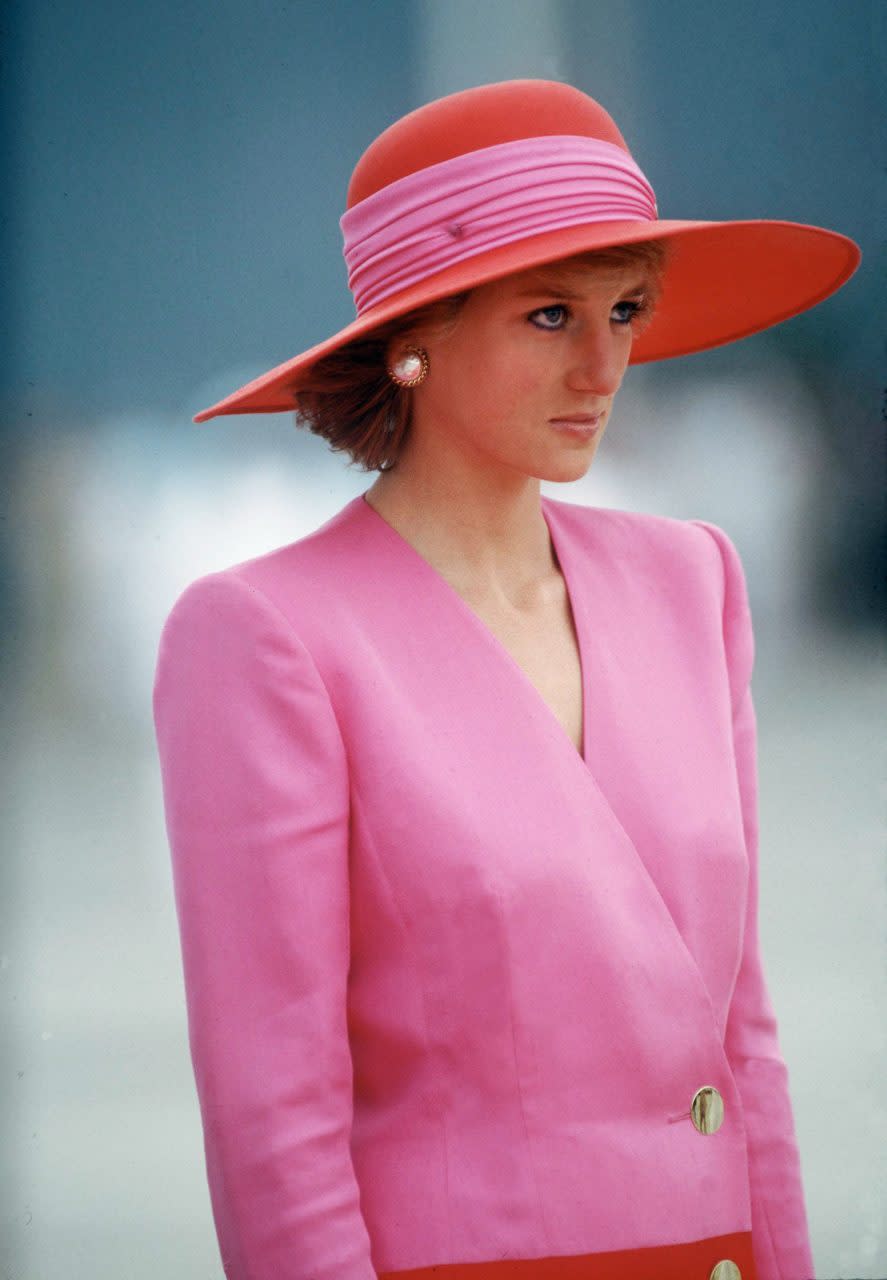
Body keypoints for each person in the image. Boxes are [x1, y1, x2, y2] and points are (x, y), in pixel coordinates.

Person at [152, 80, 860, 1280]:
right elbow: (273, 1118)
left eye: (625, 308)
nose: (604, 363)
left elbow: (739, 1034)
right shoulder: (265, 635)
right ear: (414, 334)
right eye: (548, 316)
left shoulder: (691, 580)